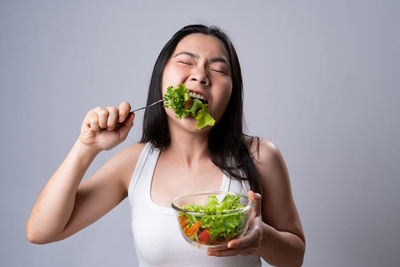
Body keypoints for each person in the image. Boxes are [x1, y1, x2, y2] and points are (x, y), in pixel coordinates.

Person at [26, 24, 305, 266]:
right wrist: (86, 147)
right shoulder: (135, 162)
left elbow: (295, 258)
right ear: (161, 76)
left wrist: (262, 238)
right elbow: (41, 232)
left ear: (232, 93)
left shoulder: (260, 156)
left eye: (219, 69)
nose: (201, 75)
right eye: (186, 62)